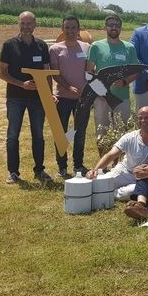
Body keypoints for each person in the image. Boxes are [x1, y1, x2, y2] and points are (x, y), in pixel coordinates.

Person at [0, 11, 52, 184]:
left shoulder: (42, 46)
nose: (26, 27)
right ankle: (13, 172)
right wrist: (22, 85)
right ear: (19, 24)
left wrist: (49, 94)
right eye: (23, 23)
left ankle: (39, 170)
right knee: (13, 135)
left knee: (38, 135)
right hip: (15, 97)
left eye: (29, 23)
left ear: (35, 24)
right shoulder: (9, 45)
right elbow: (2, 73)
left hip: (37, 98)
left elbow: (47, 73)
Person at [86, 106, 148, 200]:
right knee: (99, 183)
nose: (143, 120)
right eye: (140, 118)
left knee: (132, 191)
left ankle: (109, 193)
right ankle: (106, 191)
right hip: (125, 172)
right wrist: (95, 170)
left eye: (147, 117)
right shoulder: (129, 137)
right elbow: (111, 155)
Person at [49, 15, 91, 178]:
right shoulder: (55, 49)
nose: (70, 31)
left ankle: (78, 165)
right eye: (67, 27)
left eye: (74, 28)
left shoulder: (87, 47)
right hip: (63, 98)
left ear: (79, 29)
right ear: (62, 29)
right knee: (61, 133)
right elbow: (55, 74)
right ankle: (62, 167)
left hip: (82, 99)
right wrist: (68, 86)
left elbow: (91, 71)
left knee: (79, 132)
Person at [86, 14, 139, 136]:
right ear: (105, 27)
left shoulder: (129, 47)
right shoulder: (96, 46)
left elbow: (136, 72)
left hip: (122, 98)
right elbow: (89, 72)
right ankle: (104, 156)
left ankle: (120, 156)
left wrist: (125, 81)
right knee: (102, 133)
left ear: (121, 28)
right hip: (101, 98)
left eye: (117, 25)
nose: (114, 28)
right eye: (111, 25)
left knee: (123, 133)